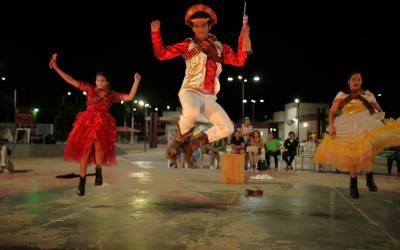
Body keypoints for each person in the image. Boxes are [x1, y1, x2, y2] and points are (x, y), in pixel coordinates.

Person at [150, 3, 251, 162]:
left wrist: (244, 35)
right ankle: (179, 141)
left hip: (209, 97)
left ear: (209, 25)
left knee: (228, 128)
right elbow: (162, 54)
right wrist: (155, 33)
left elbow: (240, 60)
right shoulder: (188, 44)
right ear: (192, 28)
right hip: (190, 90)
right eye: (196, 26)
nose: (200, 29)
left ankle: (196, 141)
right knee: (191, 111)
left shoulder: (219, 48)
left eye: (203, 25)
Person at [49, 53, 141, 196]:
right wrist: (56, 68)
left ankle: (98, 171)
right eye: (98, 80)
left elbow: (129, 97)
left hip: (102, 122)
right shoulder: (90, 89)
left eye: (102, 80)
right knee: (84, 151)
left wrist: (136, 81)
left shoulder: (112, 95)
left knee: (98, 143)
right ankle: (82, 181)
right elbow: (71, 81)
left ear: (107, 83)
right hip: (87, 121)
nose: (99, 82)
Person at [315, 71, 400, 199]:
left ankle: (369, 178)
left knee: (369, 150)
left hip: (366, 123)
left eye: (359, 79)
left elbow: (377, 108)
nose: (356, 82)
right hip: (347, 125)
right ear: (348, 81)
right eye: (354, 79)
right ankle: (353, 184)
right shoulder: (342, 94)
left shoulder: (367, 94)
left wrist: (384, 122)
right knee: (352, 154)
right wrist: (332, 125)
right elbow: (332, 111)